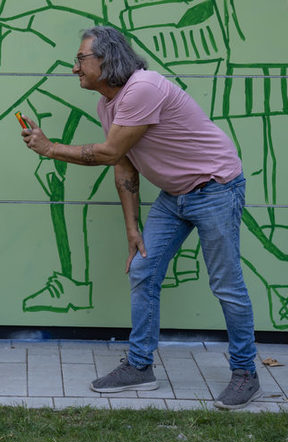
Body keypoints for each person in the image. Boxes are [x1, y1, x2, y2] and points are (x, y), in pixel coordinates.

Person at [21, 25, 260, 410]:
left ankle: (246, 373)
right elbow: (124, 165)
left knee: (226, 283)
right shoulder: (107, 105)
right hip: (175, 195)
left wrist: (51, 149)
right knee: (143, 270)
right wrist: (132, 228)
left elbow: (108, 152)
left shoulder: (143, 88)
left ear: (107, 59)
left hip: (215, 187)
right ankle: (139, 366)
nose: (74, 68)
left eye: (80, 59)